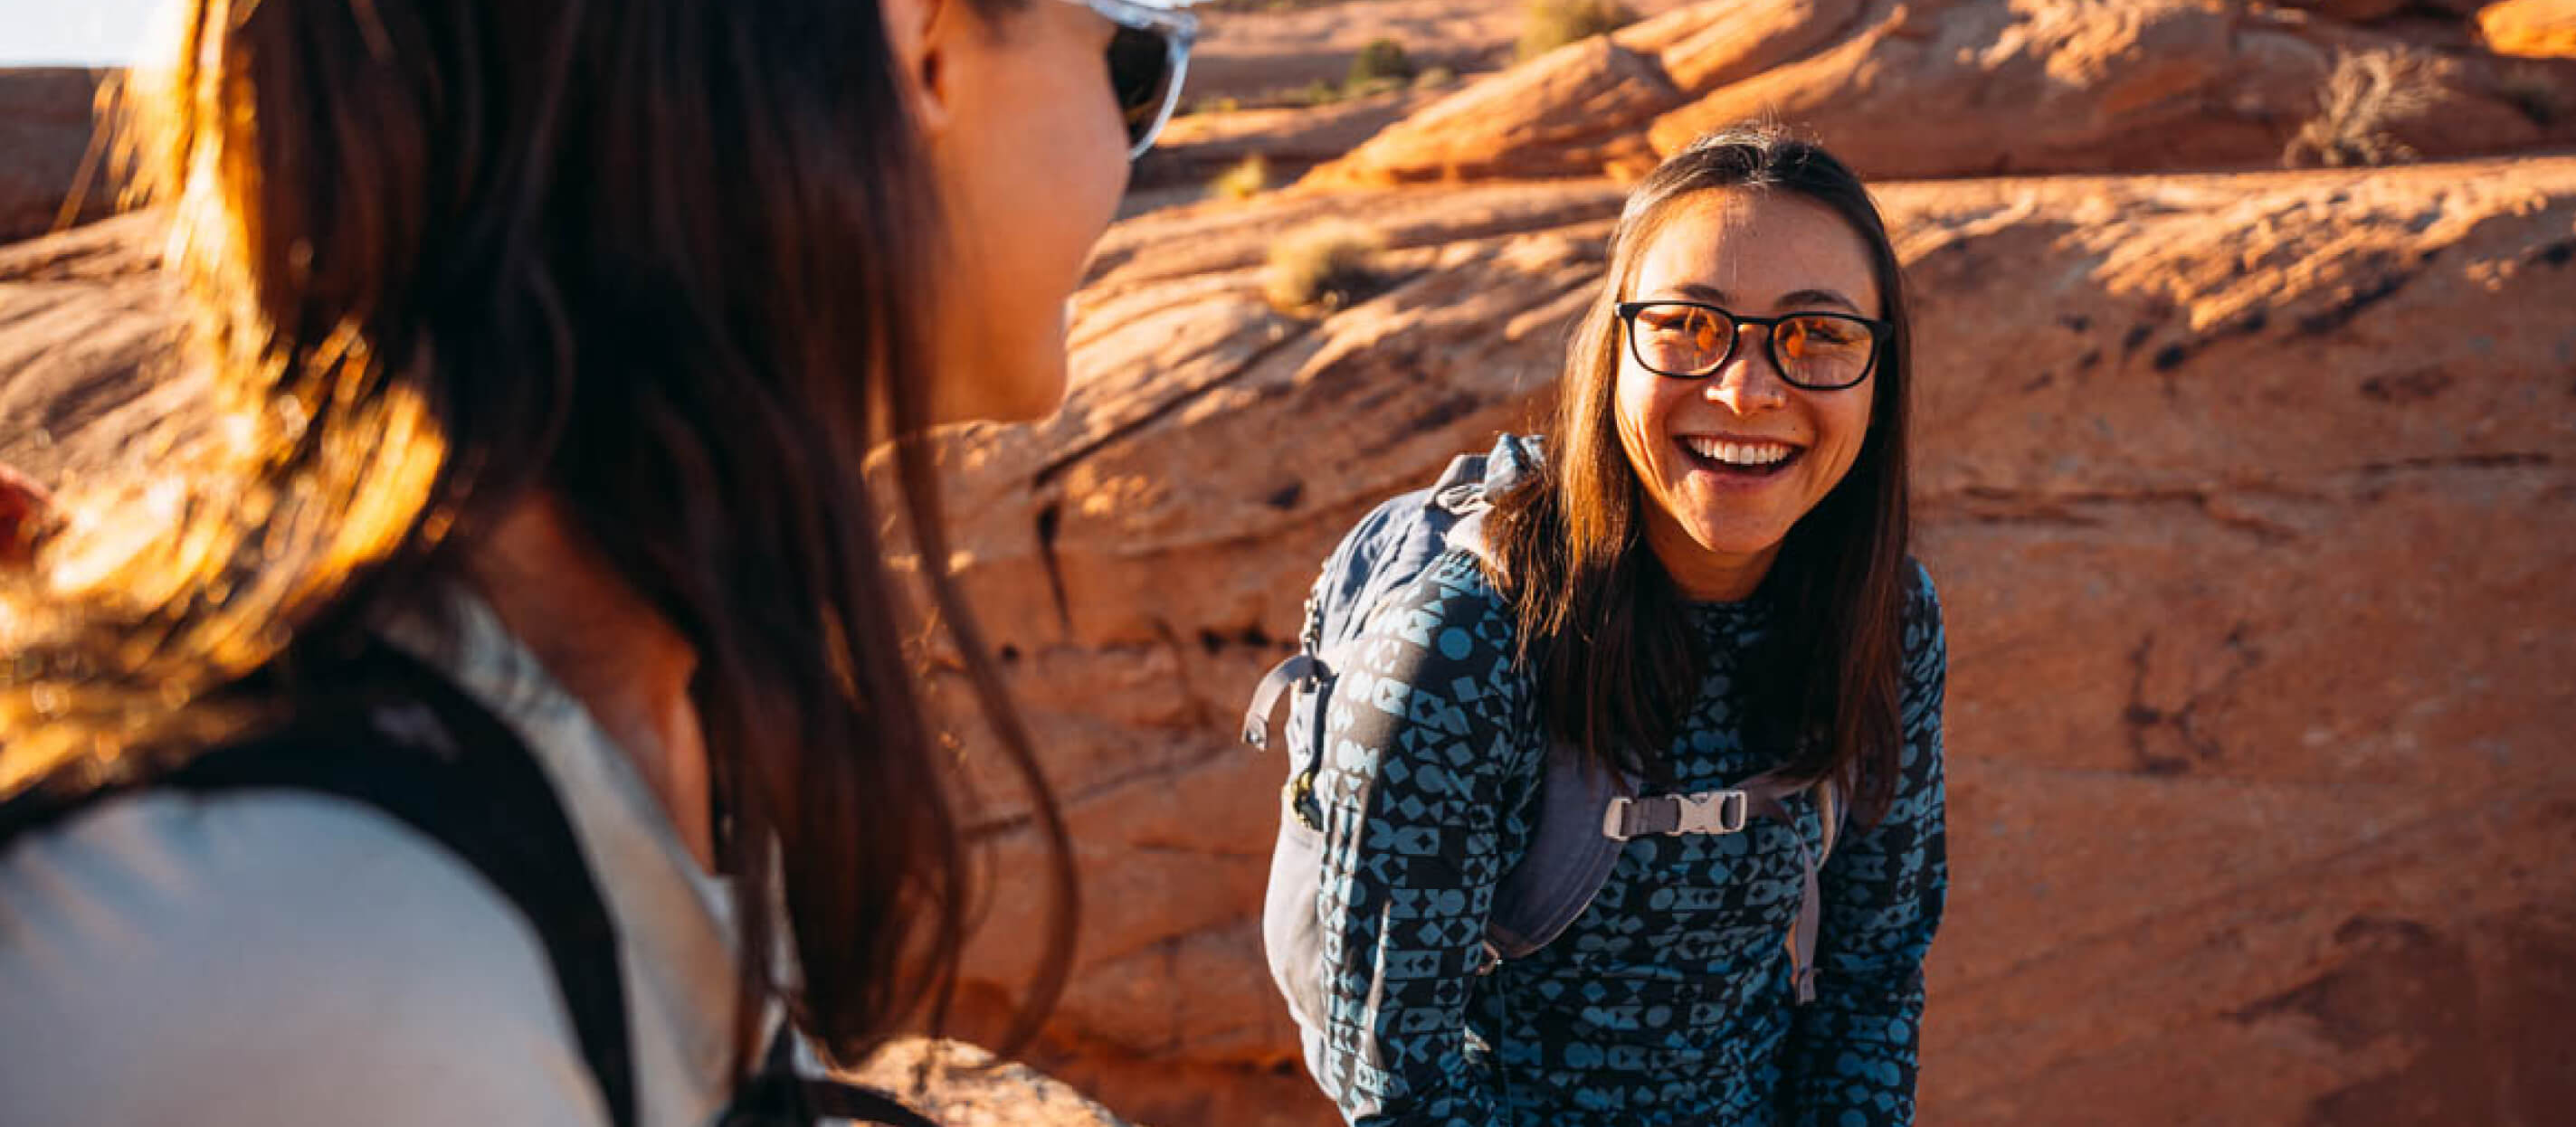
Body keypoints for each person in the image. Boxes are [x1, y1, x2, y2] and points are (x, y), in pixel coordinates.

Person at [0, 0, 1201, 1122]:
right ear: (918, 46)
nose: (1134, 141)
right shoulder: (337, 959)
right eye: (1137, 68)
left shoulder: (603, 735)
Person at [1308, 126, 1949, 1126]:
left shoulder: (1886, 616)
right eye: (1690, 324)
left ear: (1881, 375)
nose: (1746, 388)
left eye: (1818, 335)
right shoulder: (1461, 651)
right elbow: (1396, 1076)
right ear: (1613, 351)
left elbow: (1873, 973)